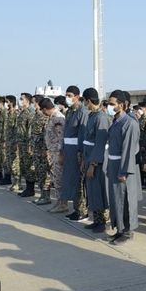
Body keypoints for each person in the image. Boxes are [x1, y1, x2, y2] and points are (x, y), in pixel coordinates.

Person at [105, 90, 140, 245]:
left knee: (124, 199)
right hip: (113, 164)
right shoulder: (115, 121)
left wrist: (124, 171)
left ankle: (126, 231)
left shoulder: (130, 123)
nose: (109, 107)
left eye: (112, 104)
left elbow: (129, 149)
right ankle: (119, 229)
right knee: (115, 199)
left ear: (122, 105)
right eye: (108, 104)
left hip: (122, 166)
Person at [81, 88, 110, 232]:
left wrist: (93, 164)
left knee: (99, 190)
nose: (84, 103)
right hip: (89, 157)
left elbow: (100, 144)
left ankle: (103, 222)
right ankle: (96, 219)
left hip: (97, 160)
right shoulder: (92, 115)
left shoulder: (101, 118)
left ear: (89, 100)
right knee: (92, 191)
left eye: (85, 101)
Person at [62, 86, 89, 221]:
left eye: (70, 95)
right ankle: (76, 209)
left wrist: (81, 154)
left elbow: (83, 134)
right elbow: (65, 132)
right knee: (72, 180)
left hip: (77, 151)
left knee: (79, 181)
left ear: (77, 97)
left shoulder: (82, 112)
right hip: (68, 150)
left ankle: (82, 210)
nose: (67, 98)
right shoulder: (70, 112)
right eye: (66, 95)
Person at [43, 97, 67, 212]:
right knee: (55, 178)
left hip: (58, 153)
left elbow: (61, 137)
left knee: (59, 179)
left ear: (45, 109)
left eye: (42, 110)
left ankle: (63, 204)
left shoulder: (58, 118)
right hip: (53, 152)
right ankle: (59, 202)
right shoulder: (52, 117)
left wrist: (61, 154)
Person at [31, 96, 51, 205]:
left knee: (45, 174)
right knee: (39, 173)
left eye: (34, 103)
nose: (33, 105)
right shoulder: (36, 116)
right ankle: (42, 196)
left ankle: (46, 197)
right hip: (36, 149)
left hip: (43, 150)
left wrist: (46, 149)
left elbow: (46, 134)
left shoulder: (45, 117)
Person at [17, 93, 36, 197]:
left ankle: (30, 189)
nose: (20, 101)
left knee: (29, 166)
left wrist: (29, 145)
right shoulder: (22, 112)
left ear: (27, 101)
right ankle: (27, 188)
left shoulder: (30, 112)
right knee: (24, 165)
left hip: (27, 143)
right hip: (21, 143)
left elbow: (30, 130)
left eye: (21, 99)